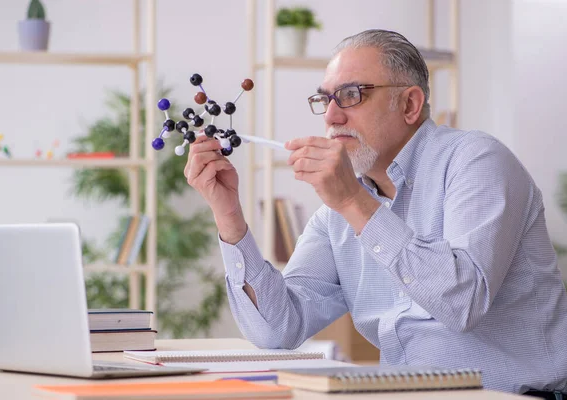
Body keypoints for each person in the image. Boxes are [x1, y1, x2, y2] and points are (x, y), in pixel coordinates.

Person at [183, 29, 567, 396]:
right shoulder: (338, 211)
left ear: (410, 104)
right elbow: (279, 329)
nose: (331, 117)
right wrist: (229, 217)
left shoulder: (477, 161)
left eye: (351, 95)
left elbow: (461, 302)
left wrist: (354, 202)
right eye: (325, 100)